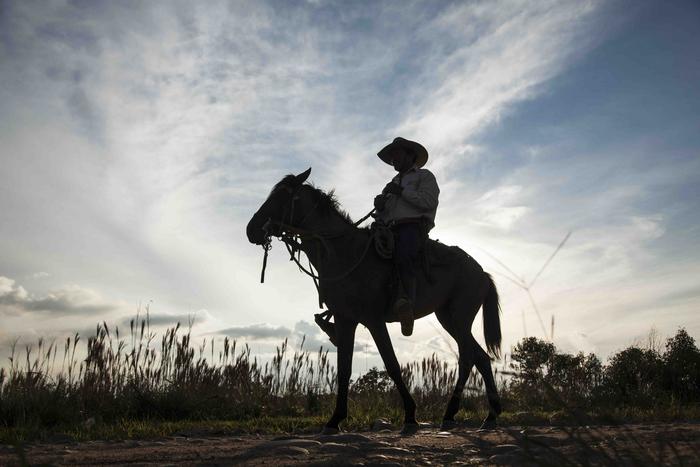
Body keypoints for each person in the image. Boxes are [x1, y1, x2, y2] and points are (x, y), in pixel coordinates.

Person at [374, 137, 440, 336]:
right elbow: (385, 214)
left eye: (397, 154)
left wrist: (402, 192)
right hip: (388, 228)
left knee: (404, 253)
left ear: (410, 155)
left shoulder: (425, 176)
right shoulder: (392, 183)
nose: (393, 159)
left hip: (413, 227)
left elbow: (428, 202)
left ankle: (407, 305)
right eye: (392, 156)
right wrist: (380, 208)